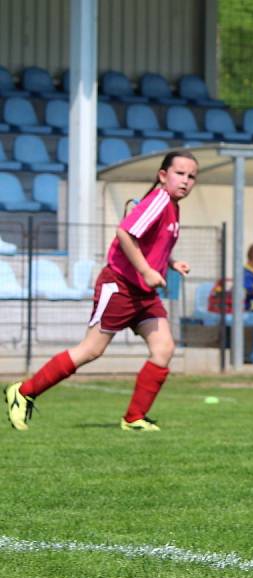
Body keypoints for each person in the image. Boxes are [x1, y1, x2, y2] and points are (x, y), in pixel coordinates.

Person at [4, 150, 199, 432]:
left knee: (164, 348)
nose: (186, 181)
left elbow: (150, 243)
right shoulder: (159, 200)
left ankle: (134, 418)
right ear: (162, 176)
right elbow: (124, 233)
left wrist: (170, 262)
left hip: (143, 295)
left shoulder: (171, 206)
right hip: (120, 286)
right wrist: (146, 271)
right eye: (180, 174)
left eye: (191, 176)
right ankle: (23, 392)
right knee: (91, 350)